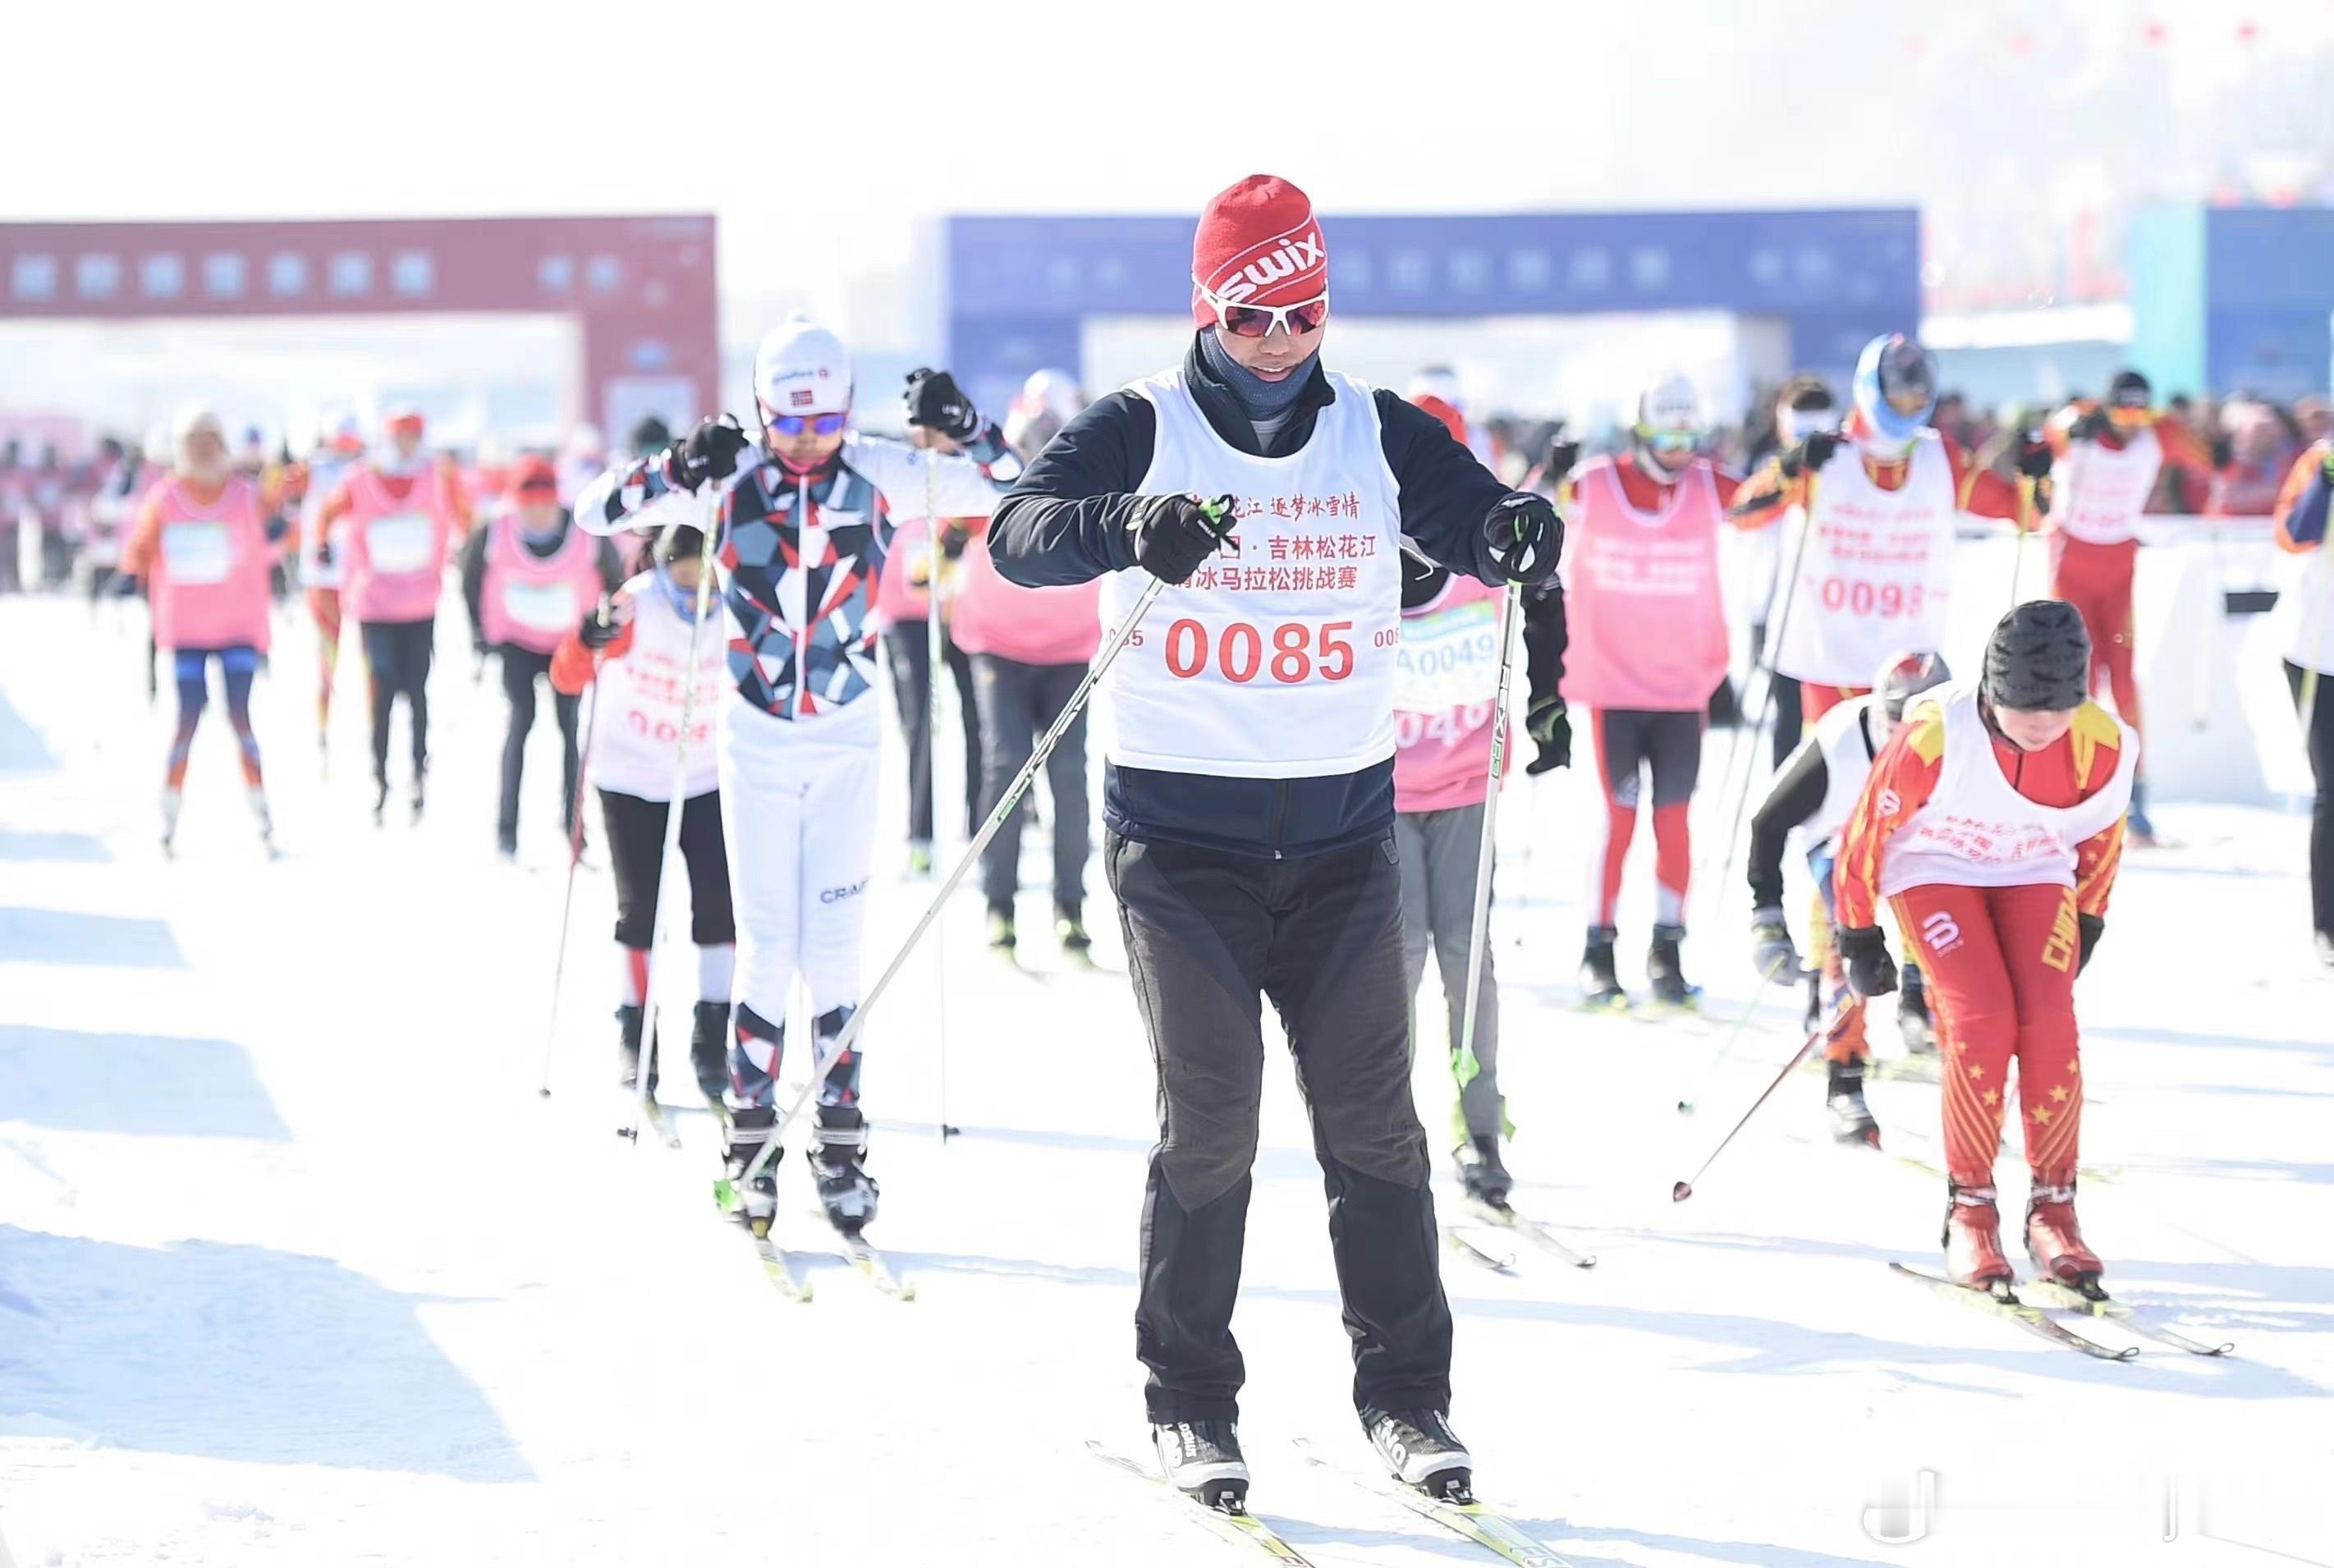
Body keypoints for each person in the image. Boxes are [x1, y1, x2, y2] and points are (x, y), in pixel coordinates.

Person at [988, 174, 1564, 1508]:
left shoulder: (1372, 429)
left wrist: (1508, 532)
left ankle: (1408, 1401)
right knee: (1210, 1126)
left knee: (1375, 1128)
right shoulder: (1143, 425)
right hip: (1179, 851)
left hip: (1344, 847)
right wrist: (1125, 526)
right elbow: (1017, 536)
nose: (1279, 342)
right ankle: (1189, 1404)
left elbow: (1471, 516)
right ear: (1208, 308)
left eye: (1303, 311)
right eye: (1252, 316)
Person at [576, 315, 1016, 1239]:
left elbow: (1017, 491)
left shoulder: (882, 469)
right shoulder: (730, 475)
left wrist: (968, 424)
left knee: (836, 951)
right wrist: (679, 468)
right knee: (767, 946)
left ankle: (842, 1141)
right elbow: (596, 510)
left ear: (848, 410)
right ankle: (748, 1140)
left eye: (822, 423)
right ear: (761, 410)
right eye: (789, 423)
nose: (807, 442)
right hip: (759, 740)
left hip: (849, 739)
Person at [1833, 601, 2135, 1289]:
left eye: (2055, 710)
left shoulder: (2102, 742)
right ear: (1991, 693)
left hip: (2031, 869)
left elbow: (2102, 836)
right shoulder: (1937, 734)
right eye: (2022, 708)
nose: (2039, 726)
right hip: (1935, 870)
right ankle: (1969, 1209)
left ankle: (2053, 1209)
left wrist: (2088, 916)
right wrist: (1858, 931)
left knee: (2050, 1023)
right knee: (1982, 1017)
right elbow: (1864, 835)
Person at [1391, 392, 1568, 1206]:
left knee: (1467, 961)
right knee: (1393, 963)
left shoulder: (1484, 542)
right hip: (1380, 794)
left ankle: (1477, 1123)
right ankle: (1388, 1125)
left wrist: (1546, 706)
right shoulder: (1360, 549)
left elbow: (1546, 596)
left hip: (1466, 784)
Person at [1732, 334, 2051, 722]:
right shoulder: (1827, 456)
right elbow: (1744, 514)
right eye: (1899, 398)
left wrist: (2035, 475)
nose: (1907, 409)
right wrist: (1788, 467)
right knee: (1838, 774)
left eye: (1916, 400)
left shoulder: (1940, 458)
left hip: (1910, 665)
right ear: (1871, 389)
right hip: (1833, 658)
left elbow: (2026, 514)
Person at [1550, 374, 1740, 1009]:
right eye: (1665, 434)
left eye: (1689, 434)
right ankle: (1597, 949)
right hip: (1614, 688)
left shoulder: (1708, 485)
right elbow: (1526, 512)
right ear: (1640, 431)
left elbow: (1776, 499)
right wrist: (1544, 473)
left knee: (1675, 821)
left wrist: (1804, 462)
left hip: (1682, 690)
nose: (1678, 448)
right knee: (1619, 821)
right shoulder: (1597, 482)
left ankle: (1667, 948)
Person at [551, 521, 736, 1102]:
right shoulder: (638, 604)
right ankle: (637, 1036)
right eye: (681, 568)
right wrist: (588, 638)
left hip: (704, 776)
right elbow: (568, 674)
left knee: (718, 908)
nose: (692, 581)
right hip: (630, 776)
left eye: (702, 568)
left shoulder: (734, 604)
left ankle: (711, 1038)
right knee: (639, 912)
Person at [1746, 650, 1953, 1143]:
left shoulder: (1958, 738)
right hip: (1841, 844)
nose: (1908, 743)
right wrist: (1767, 916)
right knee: (1848, 936)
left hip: (1915, 845)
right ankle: (1844, 1076)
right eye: (1896, 726)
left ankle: (1938, 1037)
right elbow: (1768, 822)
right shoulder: (1842, 739)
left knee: (1948, 939)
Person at [950, 369, 1103, 952]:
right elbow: (955, 508)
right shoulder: (999, 470)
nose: (1045, 439)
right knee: (1005, 766)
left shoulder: (1092, 468)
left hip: (1069, 647)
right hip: (998, 644)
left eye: (1055, 427)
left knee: (1067, 775)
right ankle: (1000, 903)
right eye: (1036, 427)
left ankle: (1070, 905)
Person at [2043, 370, 2213, 845]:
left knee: (2123, 679)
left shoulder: (2157, 432)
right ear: (2107, 407)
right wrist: (2069, 430)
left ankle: (2137, 795)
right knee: (2076, 679)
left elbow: (2208, 457)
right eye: (2122, 414)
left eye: (2139, 413)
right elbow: (2050, 436)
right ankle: (2067, 785)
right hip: (2071, 566)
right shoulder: (2082, 423)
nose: (2130, 425)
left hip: (2118, 568)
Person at [119, 408, 283, 852]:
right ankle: (169, 814)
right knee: (187, 718)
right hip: (187, 630)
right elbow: (140, 543)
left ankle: (262, 812)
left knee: (239, 716)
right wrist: (129, 572)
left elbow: (283, 520)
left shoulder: (246, 496)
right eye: (193, 445)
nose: (202, 453)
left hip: (237, 628)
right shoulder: (166, 498)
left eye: (209, 443)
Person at [462, 454, 623, 857]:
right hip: (516, 642)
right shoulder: (494, 532)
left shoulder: (586, 532)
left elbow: (616, 580)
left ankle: (573, 827)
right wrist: (479, 634)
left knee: (571, 732)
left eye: (544, 505)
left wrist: (606, 633)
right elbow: (469, 578)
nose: (536, 514)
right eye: (527, 506)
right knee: (520, 723)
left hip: (569, 647)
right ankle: (507, 830)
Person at [316, 407, 472, 820]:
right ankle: (380, 779)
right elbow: (326, 515)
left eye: (412, 434)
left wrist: (469, 553)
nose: (405, 443)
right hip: (375, 604)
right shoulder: (361, 477)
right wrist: (320, 547)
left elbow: (466, 516)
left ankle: (419, 773)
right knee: (382, 692)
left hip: (421, 603)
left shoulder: (438, 475)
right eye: (399, 434)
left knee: (418, 691)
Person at [872, 446, 984, 876]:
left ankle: (979, 826)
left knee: (978, 718)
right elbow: (912, 580)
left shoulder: (973, 506)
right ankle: (922, 837)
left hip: (964, 617)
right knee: (919, 725)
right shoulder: (905, 501)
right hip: (908, 620)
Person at [1748, 377, 1838, 764]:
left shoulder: (1848, 466)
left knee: (1835, 734)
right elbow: (1745, 514)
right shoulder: (1775, 468)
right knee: (1788, 727)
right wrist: (1787, 475)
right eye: (1797, 433)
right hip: (1786, 619)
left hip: (1840, 622)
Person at [2271, 437, 2334, 966]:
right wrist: (2327, 479)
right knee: (2332, 792)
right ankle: (2328, 926)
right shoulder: (2320, 456)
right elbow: (2294, 534)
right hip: (2321, 653)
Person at [297, 414, 369, 759]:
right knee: (328, 653)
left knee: (370, 656)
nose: (345, 453)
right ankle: (323, 726)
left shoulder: (369, 471)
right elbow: (276, 486)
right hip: (324, 577)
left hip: (362, 576)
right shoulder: (314, 468)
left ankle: (373, 723)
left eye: (350, 447)